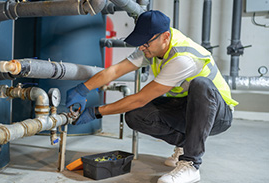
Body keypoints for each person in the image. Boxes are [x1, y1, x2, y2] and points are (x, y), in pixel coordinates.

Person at [66, 10, 238, 183]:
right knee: (136, 115)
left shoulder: (183, 57)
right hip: (187, 108)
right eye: (140, 42)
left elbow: (140, 98)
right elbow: (116, 70)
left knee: (201, 84)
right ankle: (186, 144)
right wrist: (82, 89)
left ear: (165, 37)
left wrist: (95, 112)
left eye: (146, 43)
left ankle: (191, 164)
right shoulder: (153, 47)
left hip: (217, 114)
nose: (141, 47)